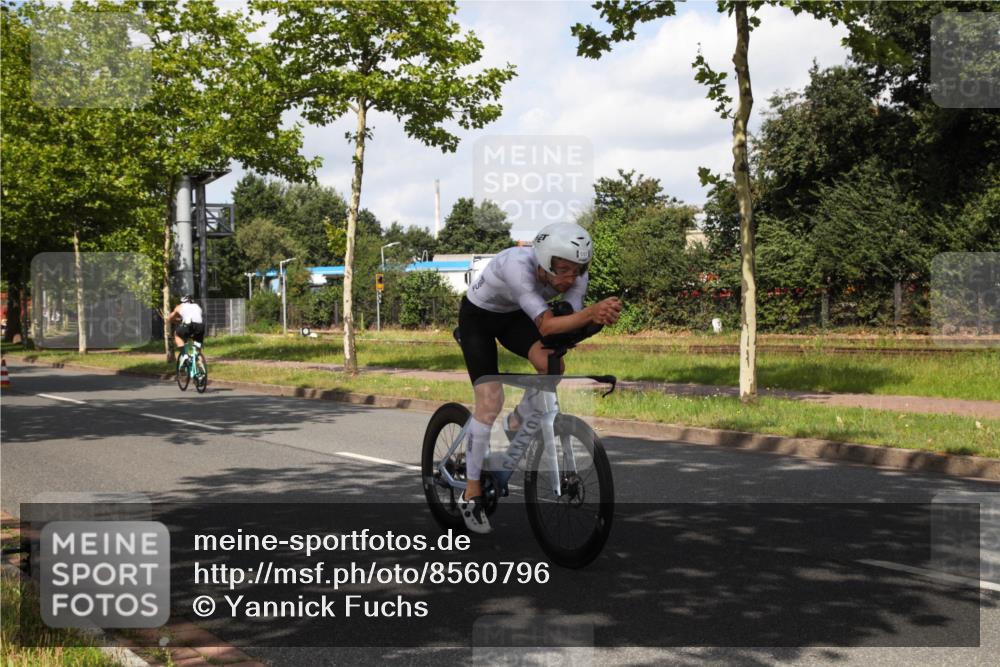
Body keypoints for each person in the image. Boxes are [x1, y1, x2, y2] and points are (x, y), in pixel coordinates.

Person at [456, 222, 622, 534]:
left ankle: (517, 420)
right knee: (490, 401)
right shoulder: (517, 267)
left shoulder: (577, 276)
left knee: (552, 366)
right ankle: (471, 491)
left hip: (515, 318)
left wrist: (596, 320)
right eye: (563, 270)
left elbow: (566, 321)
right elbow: (546, 326)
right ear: (544, 262)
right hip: (478, 319)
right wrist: (590, 313)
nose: (571, 278)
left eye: (578, 270)